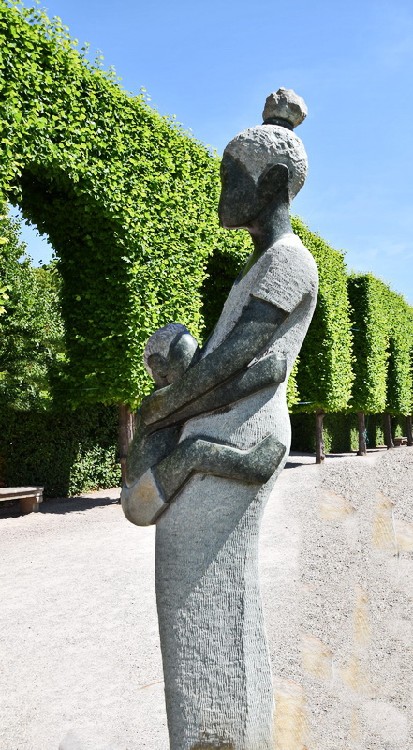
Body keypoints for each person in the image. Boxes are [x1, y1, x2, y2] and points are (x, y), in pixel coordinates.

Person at [122, 322, 287, 526]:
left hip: (147, 487)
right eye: (187, 358)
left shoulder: (169, 401)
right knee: (194, 451)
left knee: (192, 451)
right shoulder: (154, 405)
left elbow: (209, 397)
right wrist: (262, 375)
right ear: (159, 366)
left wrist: (263, 375)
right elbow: (208, 398)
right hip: (139, 497)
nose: (196, 366)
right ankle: (253, 465)